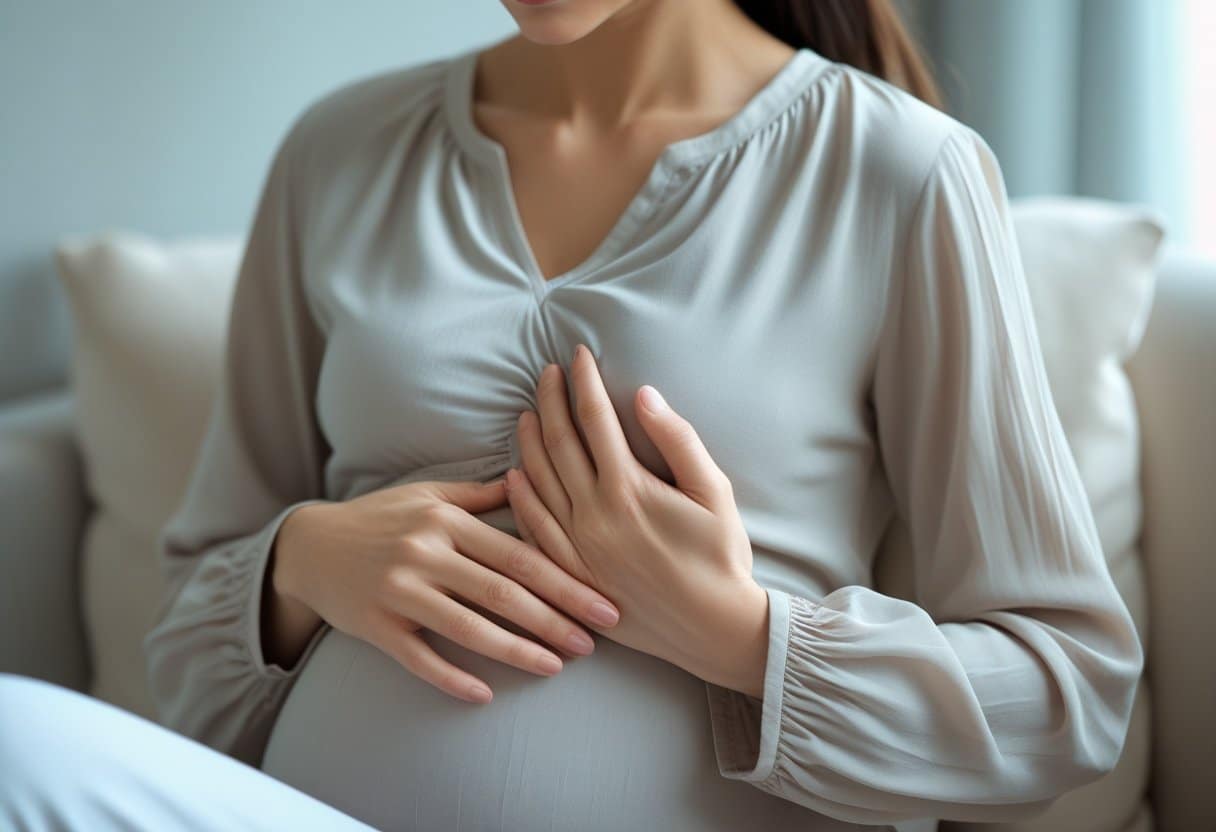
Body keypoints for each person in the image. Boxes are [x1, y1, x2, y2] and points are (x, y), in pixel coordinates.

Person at [0, 0, 1145, 830]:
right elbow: (187, 657)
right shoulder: (336, 153)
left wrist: (743, 635)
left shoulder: (901, 172)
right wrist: (299, 569)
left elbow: (1063, 696)